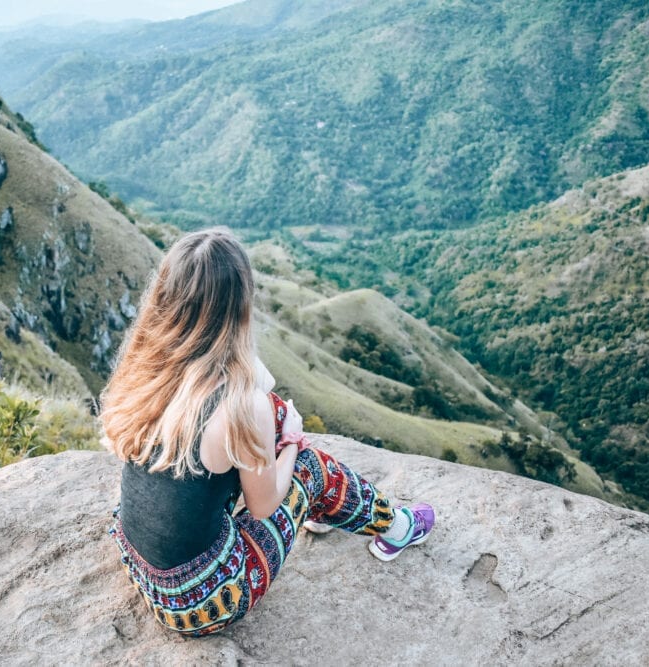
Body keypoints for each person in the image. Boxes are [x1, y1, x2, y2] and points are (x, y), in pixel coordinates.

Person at [101, 227, 435, 636]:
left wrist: (269, 411)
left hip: (140, 565)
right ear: (241, 306)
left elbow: (261, 384)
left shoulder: (145, 369)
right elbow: (263, 507)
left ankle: (326, 511)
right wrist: (292, 442)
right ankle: (396, 528)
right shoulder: (239, 405)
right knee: (310, 468)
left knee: (272, 413)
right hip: (204, 602)